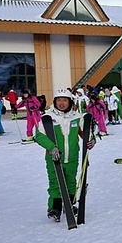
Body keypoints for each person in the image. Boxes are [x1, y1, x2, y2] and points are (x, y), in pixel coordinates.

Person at [34, 89, 96, 221]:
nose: (62, 103)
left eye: (65, 100)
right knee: (55, 183)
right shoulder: (48, 117)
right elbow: (39, 135)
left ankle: (69, 204)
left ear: (70, 102)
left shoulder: (76, 116)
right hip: (54, 157)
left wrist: (91, 139)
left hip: (72, 156)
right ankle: (54, 208)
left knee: (71, 182)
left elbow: (85, 132)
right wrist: (51, 147)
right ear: (55, 102)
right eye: (59, 100)